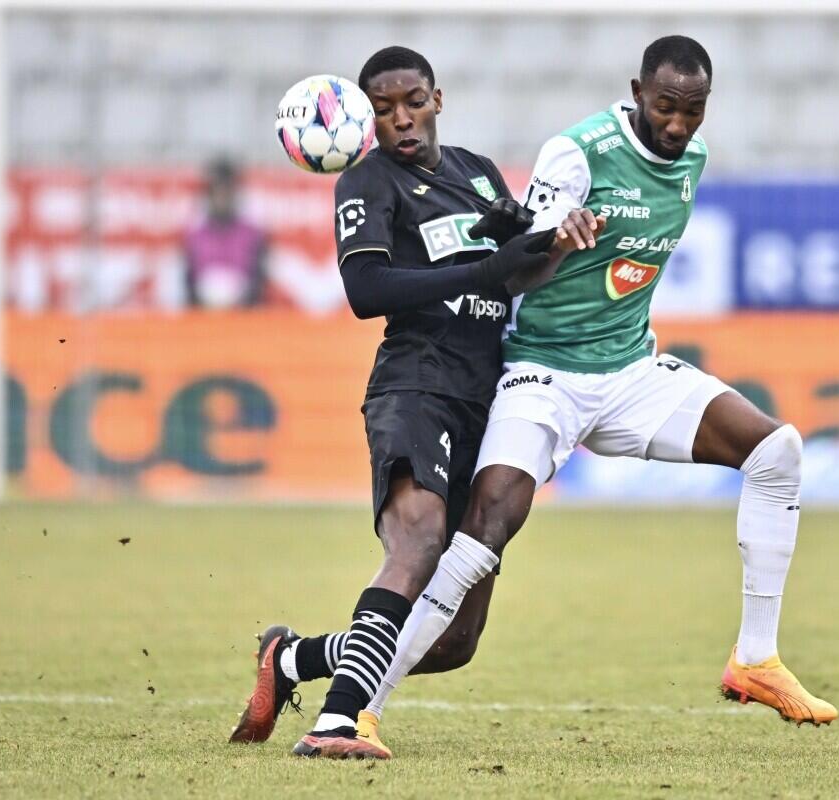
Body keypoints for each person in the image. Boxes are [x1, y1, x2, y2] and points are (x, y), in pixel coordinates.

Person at [356, 34, 839, 757]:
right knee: (487, 527)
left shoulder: (693, 161)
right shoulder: (577, 153)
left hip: (628, 375)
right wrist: (556, 240)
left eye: (694, 111)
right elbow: (518, 273)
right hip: (542, 374)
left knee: (778, 450)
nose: (678, 125)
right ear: (638, 91)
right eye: (666, 107)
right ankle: (363, 707)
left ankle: (756, 660)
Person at [224, 46, 590, 759]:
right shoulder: (367, 181)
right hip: (416, 384)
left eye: (413, 102)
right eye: (385, 108)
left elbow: (518, 270)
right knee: (416, 540)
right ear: (367, 117)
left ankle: (294, 659)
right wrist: (481, 268)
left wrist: (562, 241)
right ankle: (338, 720)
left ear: (437, 99)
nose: (402, 120)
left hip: (491, 401)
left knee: (455, 639)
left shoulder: (478, 173)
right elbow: (366, 291)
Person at [183, 159, 268, 309]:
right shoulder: (195, 236)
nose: (222, 199)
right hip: (203, 316)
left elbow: (258, 280)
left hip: (243, 316)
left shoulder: (252, 235)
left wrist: (242, 300)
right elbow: (188, 281)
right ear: (208, 195)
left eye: (226, 192)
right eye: (217, 192)